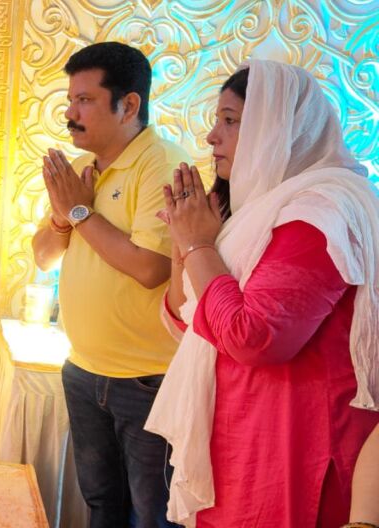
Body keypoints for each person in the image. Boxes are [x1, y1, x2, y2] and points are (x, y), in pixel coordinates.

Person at [146, 61, 379, 527]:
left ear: (278, 129)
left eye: (230, 120)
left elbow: (255, 337)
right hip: (239, 434)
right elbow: (183, 321)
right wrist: (184, 242)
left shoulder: (320, 214)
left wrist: (198, 246)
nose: (212, 136)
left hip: (293, 443)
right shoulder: (252, 211)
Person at [30, 42, 185, 528]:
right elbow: (43, 257)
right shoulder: (84, 173)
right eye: (70, 100)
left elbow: (151, 268)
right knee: (102, 505)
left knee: (150, 516)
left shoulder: (161, 164)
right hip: (83, 369)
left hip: (145, 380)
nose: (70, 114)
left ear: (129, 104)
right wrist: (64, 217)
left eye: (85, 100)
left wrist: (79, 212)